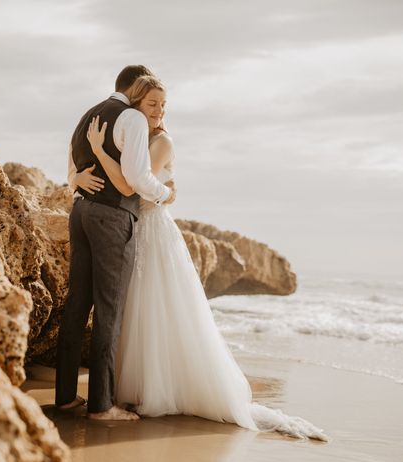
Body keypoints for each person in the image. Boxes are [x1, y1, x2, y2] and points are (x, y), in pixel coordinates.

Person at [84, 75, 328, 440]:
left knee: (157, 303)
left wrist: (143, 180)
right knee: (136, 305)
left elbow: (138, 187)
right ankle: (129, 388)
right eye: (152, 104)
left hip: (153, 229)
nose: (159, 112)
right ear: (136, 104)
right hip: (137, 227)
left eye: (163, 106)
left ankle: (155, 388)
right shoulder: (135, 135)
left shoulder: (161, 141)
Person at [55, 65, 176, 421]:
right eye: (150, 100)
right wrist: (165, 193)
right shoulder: (132, 119)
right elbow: (134, 181)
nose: (153, 109)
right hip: (112, 215)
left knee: (77, 304)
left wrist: (78, 178)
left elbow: (71, 173)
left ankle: (65, 397)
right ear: (136, 90)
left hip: (80, 212)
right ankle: (102, 405)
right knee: (110, 309)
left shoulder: (87, 116)